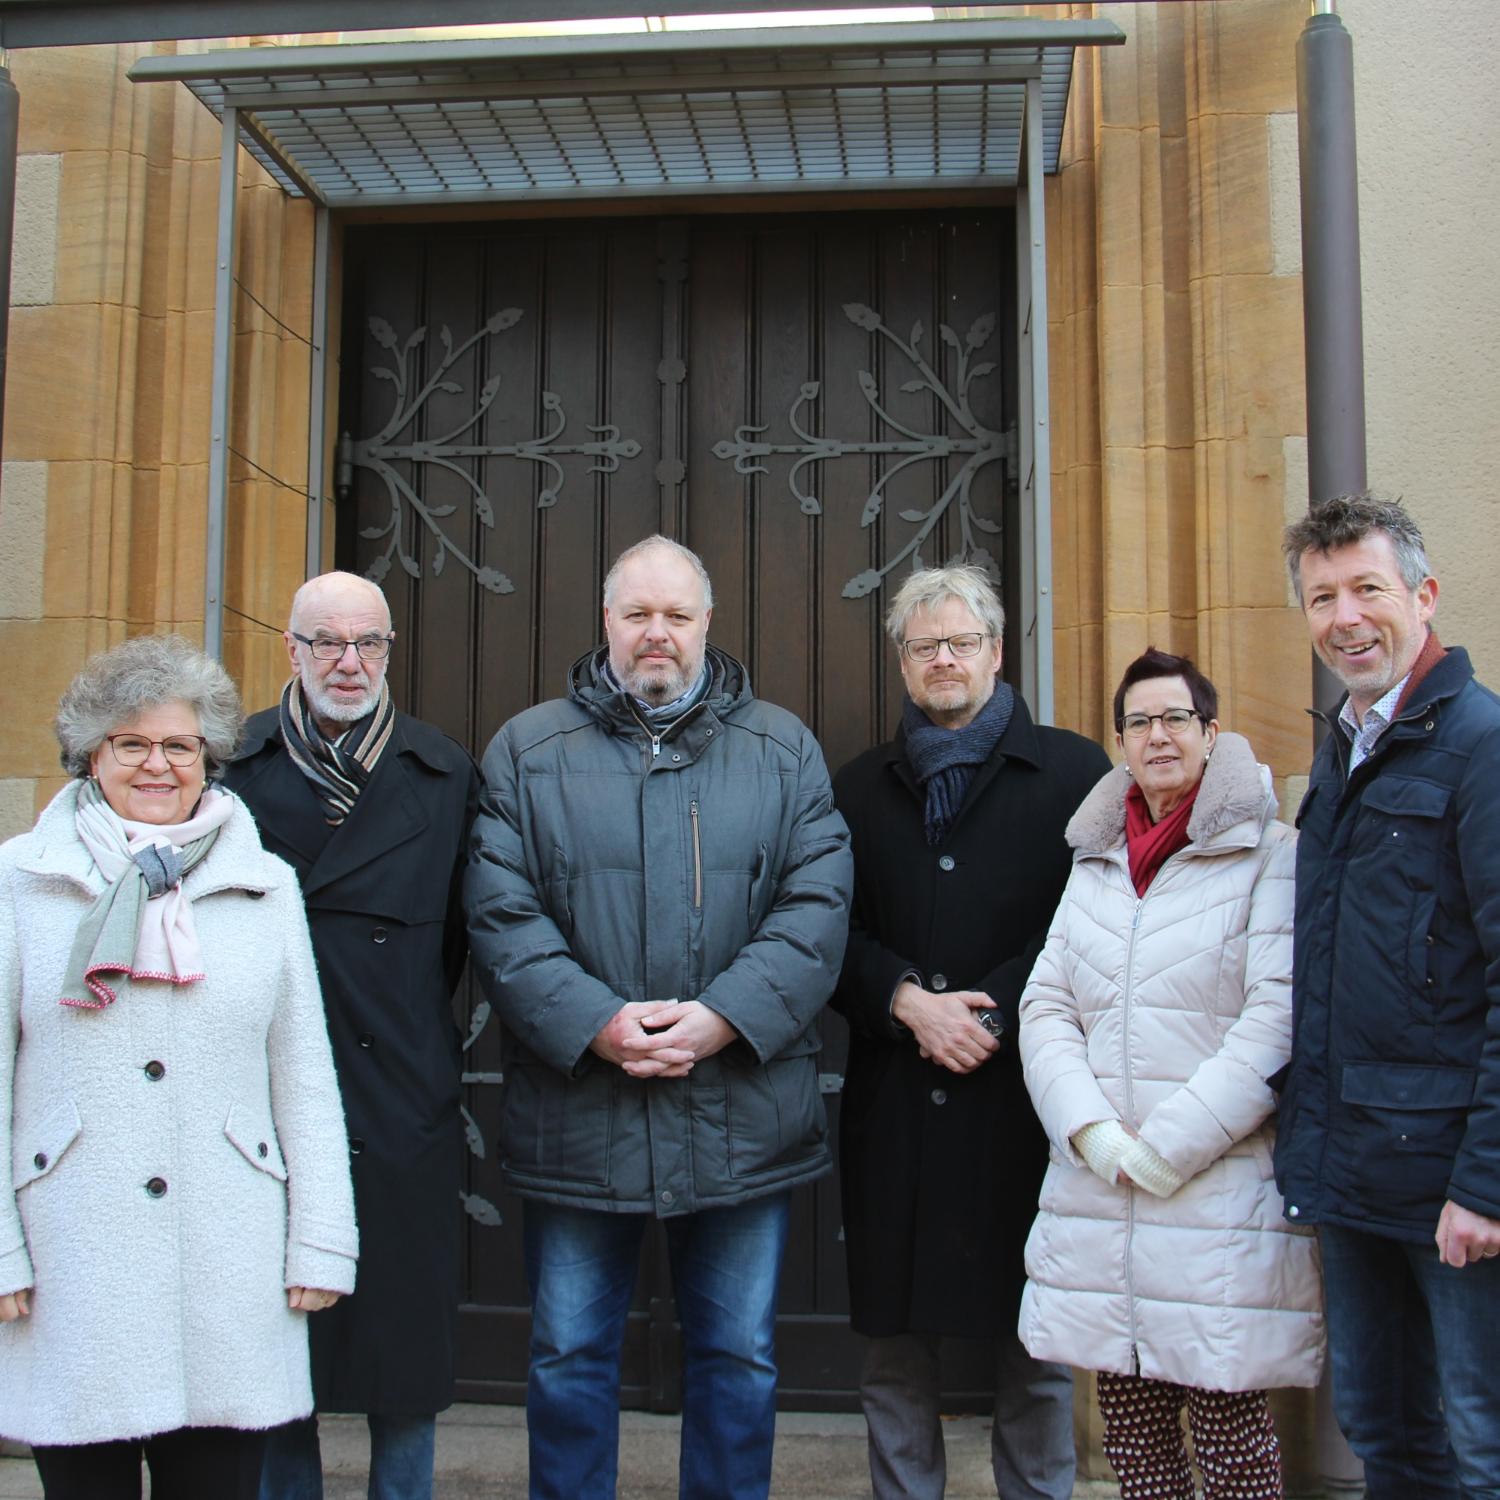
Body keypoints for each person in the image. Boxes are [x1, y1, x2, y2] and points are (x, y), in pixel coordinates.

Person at [465, 534, 852, 1500]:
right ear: (606, 622)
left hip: (739, 1111)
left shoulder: (783, 747)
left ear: (707, 625)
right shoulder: (528, 748)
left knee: (739, 1360)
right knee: (566, 1356)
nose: (656, 635)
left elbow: (817, 906)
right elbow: (501, 913)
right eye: (637, 614)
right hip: (580, 1114)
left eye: (676, 616)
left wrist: (723, 1017)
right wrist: (594, 1020)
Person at [0, 635, 356, 1500]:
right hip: (71, 1257)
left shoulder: (264, 884)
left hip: (229, 1255)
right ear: (91, 754)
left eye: (179, 746)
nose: (157, 764)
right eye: (132, 743)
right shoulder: (20, 880)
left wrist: (321, 1238)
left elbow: (303, 1073)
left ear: (210, 759)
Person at [830, 563, 1110, 1500]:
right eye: (923, 646)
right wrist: (906, 999)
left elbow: (1099, 921)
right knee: (893, 1351)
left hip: (1026, 1103)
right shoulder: (858, 787)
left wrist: (992, 1005)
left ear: (996, 650)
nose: (942, 658)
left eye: (960, 642)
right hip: (897, 1102)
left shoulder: (1076, 772)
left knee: (1033, 1345)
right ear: (903, 663)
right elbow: (826, 931)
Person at [1017, 646, 1323, 1500]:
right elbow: (1046, 1009)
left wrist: (1168, 1147)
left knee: (1232, 1441)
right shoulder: (1096, 861)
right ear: (1121, 742)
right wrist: (1090, 1128)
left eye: (1176, 718)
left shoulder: (1269, 853)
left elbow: (1277, 1020)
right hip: (1103, 1185)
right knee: (1135, 1438)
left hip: (1214, 1193)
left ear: (1211, 731)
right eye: (1140, 722)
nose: (1158, 736)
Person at [224, 572, 478, 1500]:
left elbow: (457, 937)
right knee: (278, 1358)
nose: (347, 661)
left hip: (399, 1092)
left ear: (389, 651)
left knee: (402, 1357)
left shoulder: (443, 772)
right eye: (326, 641)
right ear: (290, 650)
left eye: (367, 643)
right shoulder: (230, 768)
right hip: (262, 1103)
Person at [1274, 494, 1500, 1499]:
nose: (1346, 618)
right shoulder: (1346, 746)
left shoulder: (1481, 749)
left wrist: (1488, 1183)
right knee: (1386, 1433)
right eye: (1322, 598)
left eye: (1368, 588)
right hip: (1359, 1174)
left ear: (1425, 595)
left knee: (1481, 1441)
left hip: (1453, 1183)